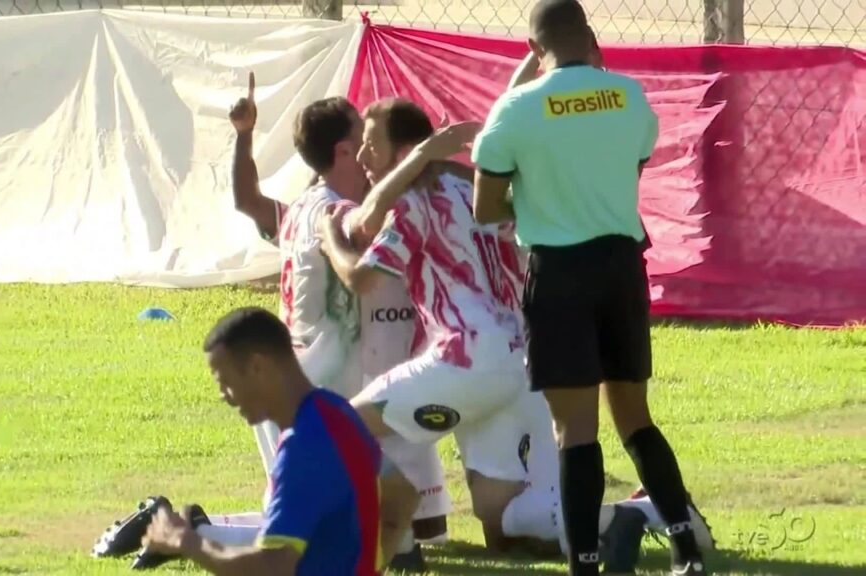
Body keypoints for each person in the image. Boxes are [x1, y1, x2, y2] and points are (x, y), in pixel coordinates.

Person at [470, 1, 709, 575]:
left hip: (559, 274)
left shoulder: (514, 110)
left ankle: (584, 564)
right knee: (635, 417)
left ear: (533, 48)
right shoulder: (628, 97)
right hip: (622, 267)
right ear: (591, 38)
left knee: (574, 429)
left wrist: (533, 196)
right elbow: (626, 173)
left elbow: (484, 209)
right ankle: (686, 549)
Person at [317, 97, 564, 563]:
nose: (365, 157)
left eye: (372, 145)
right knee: (504, 524)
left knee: (335, 427)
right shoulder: (473, 191)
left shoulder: (411, 204)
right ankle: (644, 514)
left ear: (407, 150)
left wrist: (329, 240)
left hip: (467, 359)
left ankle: (401, 544)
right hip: (520, 361)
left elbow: (361, 278)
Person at [223, 73, 459, 561]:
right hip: (327, 391)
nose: (373, 146)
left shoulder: (301, 208)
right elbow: (367, 222)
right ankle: (190, 528)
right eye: (365, 137)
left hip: (305, 377)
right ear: (347, 151)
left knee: (415, 522)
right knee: (339, 533)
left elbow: (247, 201)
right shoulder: (335, 212)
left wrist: (245, 136)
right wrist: (422, 160)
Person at [140, 307, 385, 575]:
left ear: (257, 367)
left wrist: (184, 540)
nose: (224, 395)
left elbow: (272, 567)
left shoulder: (302, 448)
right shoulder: (338, 412)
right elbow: (401, 495)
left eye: (225, 381)